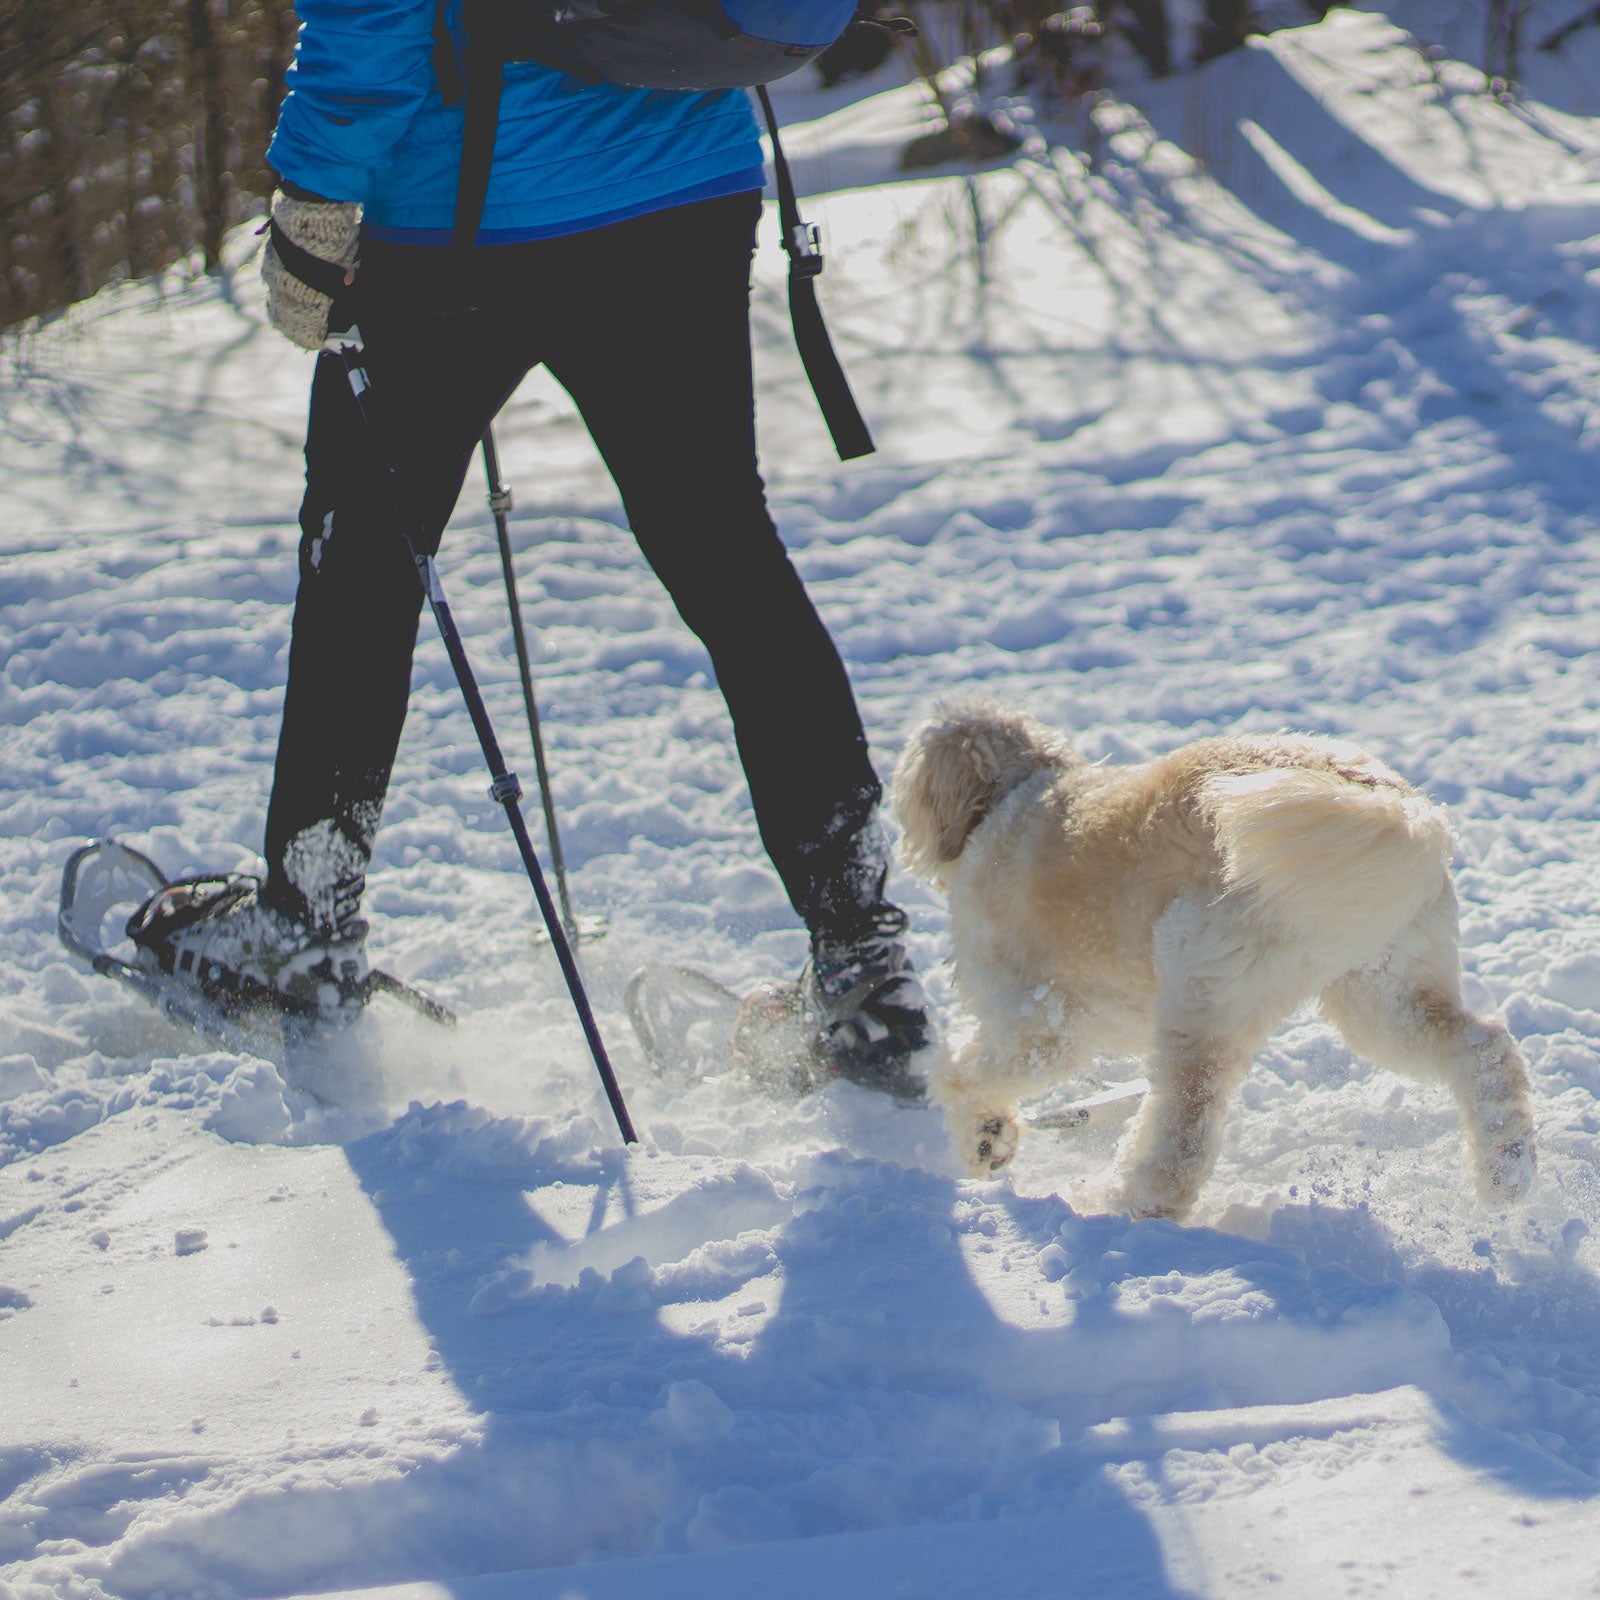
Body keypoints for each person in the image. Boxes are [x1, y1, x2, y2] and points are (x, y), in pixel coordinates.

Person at [132, 0, 936, 1096]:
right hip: (679, 188)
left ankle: (303, 931)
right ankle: (862, 966)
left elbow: (372, 15)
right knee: (727, 559)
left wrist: (318, 194)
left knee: (363, 565)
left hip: (447, 224)